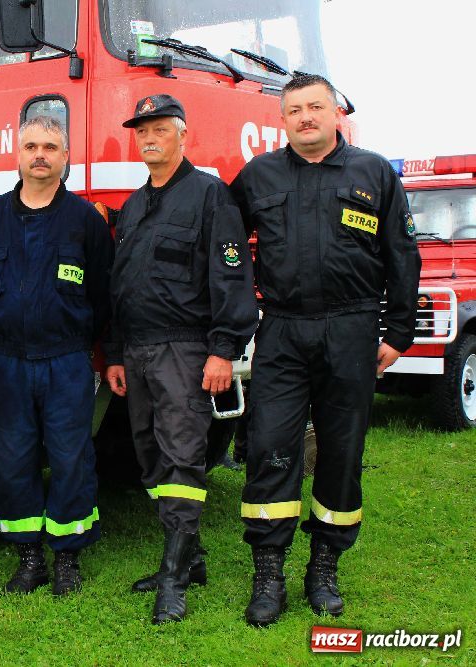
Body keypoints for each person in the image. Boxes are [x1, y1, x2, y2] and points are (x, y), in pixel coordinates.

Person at [230, 74, 420, 626]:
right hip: (283, 330)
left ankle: (324, 565)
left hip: (352, 329)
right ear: (282, 119)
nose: (305, 117)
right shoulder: (258, 176)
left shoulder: (374, 173)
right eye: (294, 110)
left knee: (341, 451)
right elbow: (224, 245)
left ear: (336, 113)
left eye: (315, 107)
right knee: (269, 445)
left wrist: (398, 333)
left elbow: (402, 255)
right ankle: (268, 572)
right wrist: (240, 306)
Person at [104, 95, 258, 623]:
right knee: (149, 456)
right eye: (142, 130)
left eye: (160, 129)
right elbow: (121, 285)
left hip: (186, 350)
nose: (149, 138)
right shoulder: (133, 205)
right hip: (139, 351)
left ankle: (173, 580)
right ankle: (190, 560)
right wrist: (118, 352)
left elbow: (232, 279)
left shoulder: (209, 196)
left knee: (182, 458)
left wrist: (222, 351)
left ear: (182, 135)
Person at [0, 116, 112, 596]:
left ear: (65, 156)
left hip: (66, 360)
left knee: (72, 457)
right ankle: (29, 555)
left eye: (50, 146)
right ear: (17, 153)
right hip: (8, 361)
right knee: (13, 459)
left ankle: (67, 555)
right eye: (31, 145)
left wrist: (101, 353)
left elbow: (103, 295)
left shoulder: (86, 222)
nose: (40, 154)